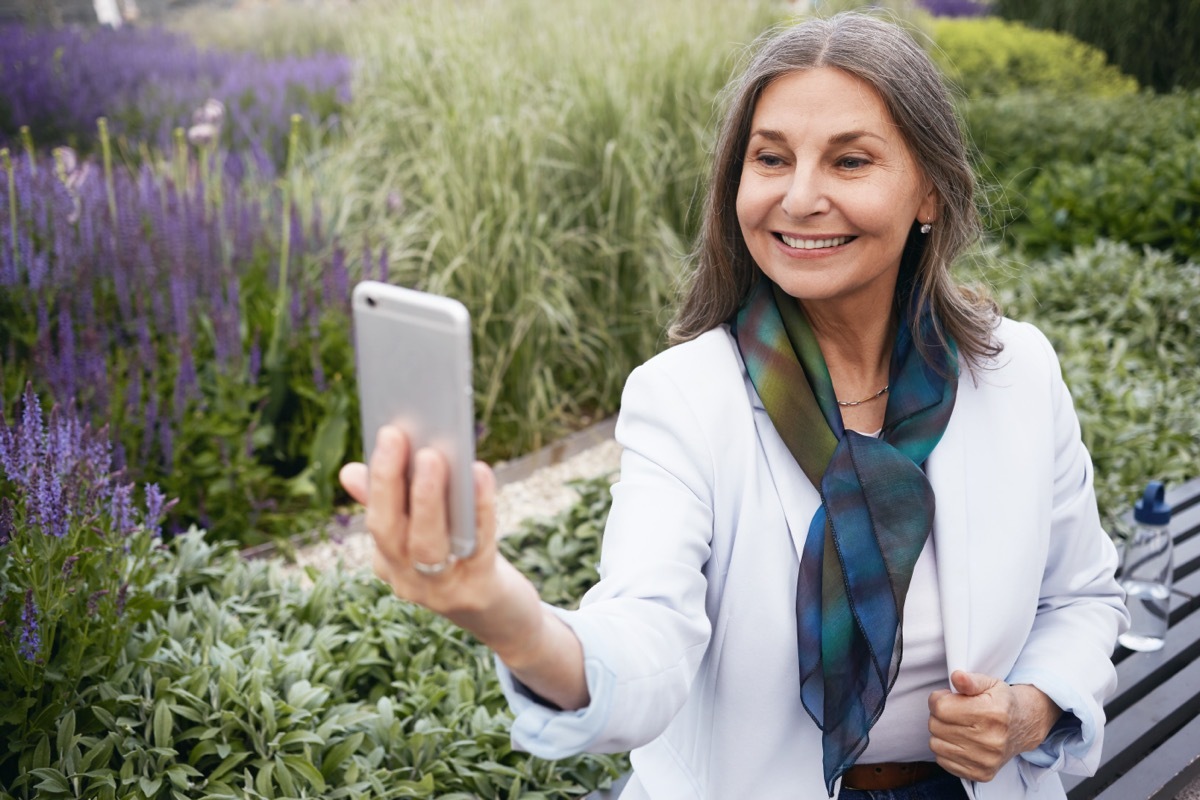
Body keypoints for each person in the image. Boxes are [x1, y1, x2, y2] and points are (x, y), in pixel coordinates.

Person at [338, 12, 1129, 799]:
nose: (801, 196)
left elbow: (1083, 596)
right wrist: (500, 611)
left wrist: (1030, 710)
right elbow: (644, 641)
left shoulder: (1016, 371)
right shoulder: (683, 399)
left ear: (928, 190)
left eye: (850, 161)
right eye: (771, 159)